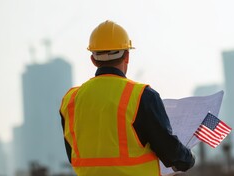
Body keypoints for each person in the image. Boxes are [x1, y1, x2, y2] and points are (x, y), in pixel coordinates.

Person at [59, 20, 195, 176]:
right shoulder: (142, 96)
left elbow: (72, 155)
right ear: (127, 56)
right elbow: (171, 153)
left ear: (93, 59)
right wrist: (188, 158)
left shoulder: (70, 100)